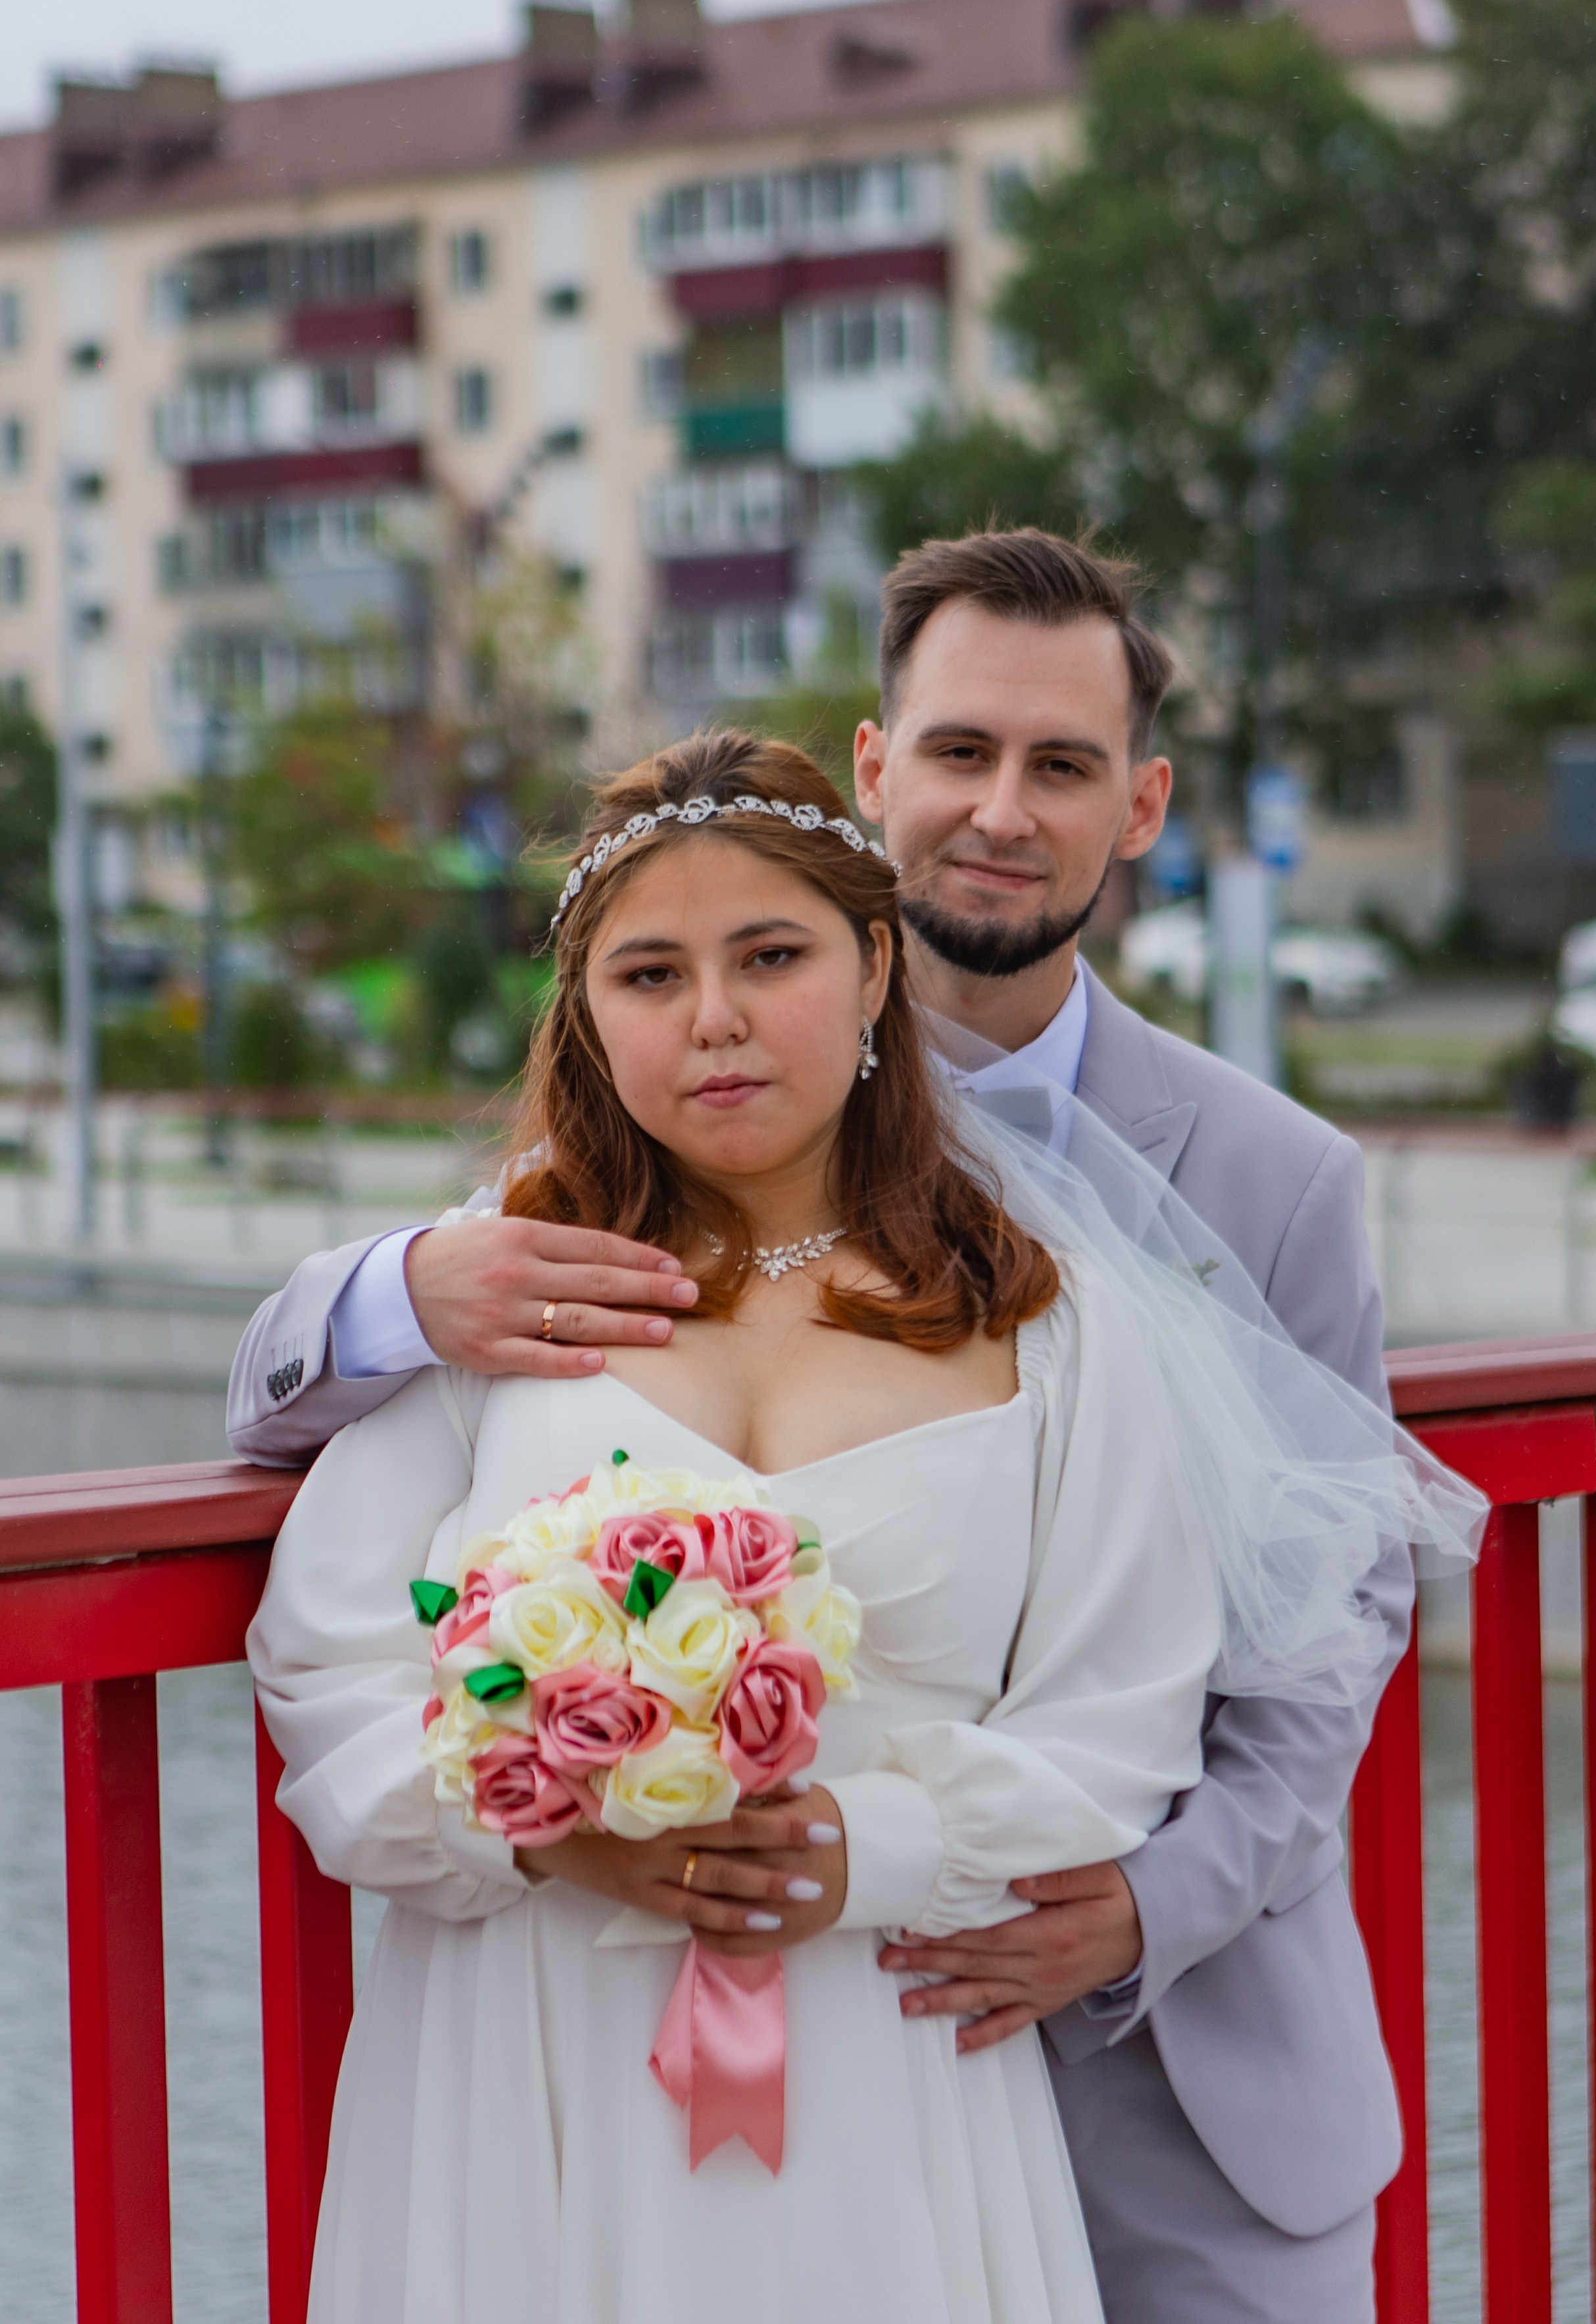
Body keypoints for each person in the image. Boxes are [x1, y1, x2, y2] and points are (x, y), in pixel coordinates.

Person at [230, 531, 1396, 2321]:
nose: (716, 1020)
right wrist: (543, 1815)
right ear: (878, 772)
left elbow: (1273, 1644)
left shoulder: (1128, 1271)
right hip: (539, 2060)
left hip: (972, 2034)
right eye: (648, 977)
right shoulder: (519, 1284)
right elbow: (329, 1666)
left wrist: (941, 1864)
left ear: (863, 973)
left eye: (1062, 765)